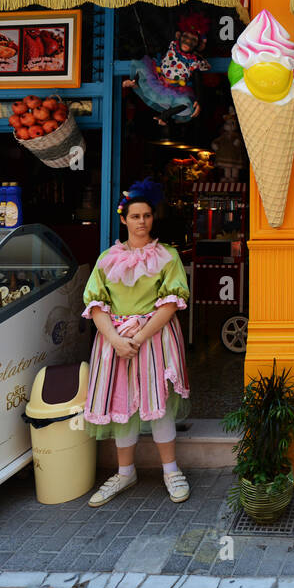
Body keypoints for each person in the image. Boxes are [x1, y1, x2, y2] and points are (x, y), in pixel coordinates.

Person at [81, 178, 192, 506]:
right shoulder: (106, 260)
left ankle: (171, 471)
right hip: (115, 344)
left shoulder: (167, 256)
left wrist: (140, 336)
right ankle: (125, 472)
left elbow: (171, 303)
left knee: (159, 407)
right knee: (122, 408)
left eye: (146, 215)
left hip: (155, 340)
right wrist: (115, 340)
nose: (142, 222)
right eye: (135, 216)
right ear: (123, 219)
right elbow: (95, 305)